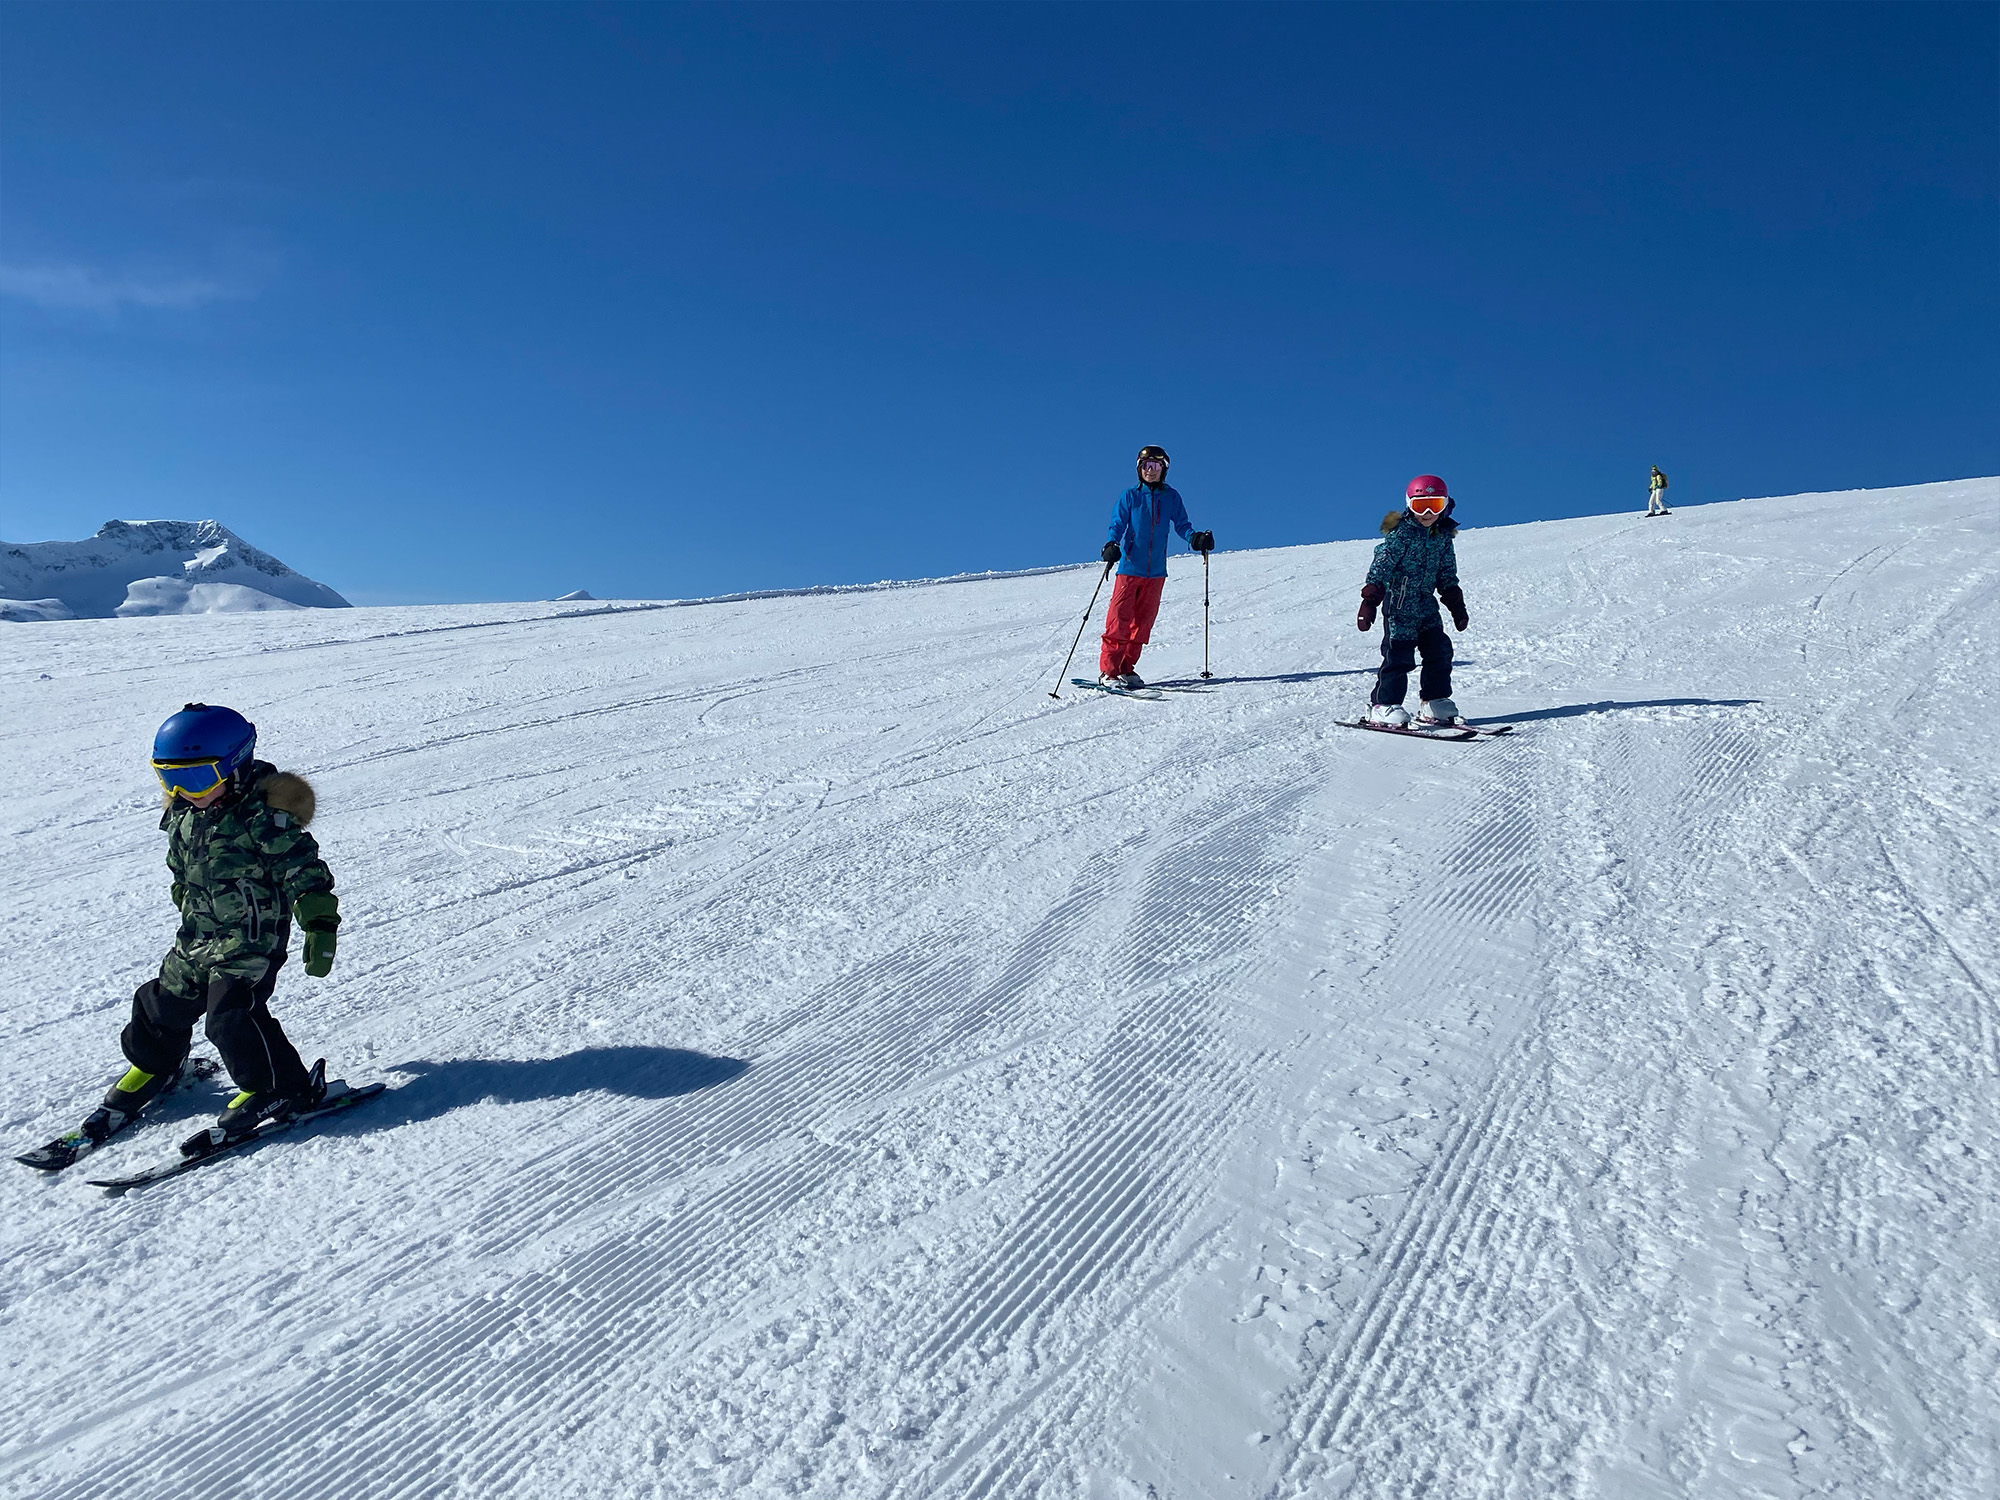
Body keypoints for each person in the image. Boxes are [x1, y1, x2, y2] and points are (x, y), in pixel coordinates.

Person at [98, 703, 342, 1157]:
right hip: (198, 937)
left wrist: (320, 923)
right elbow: (182, 871)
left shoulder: (263, 817)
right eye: (168, 779)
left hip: (252, 938)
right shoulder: (185, 814)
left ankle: (281, 1088)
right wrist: (186, 908)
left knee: (231, 1016)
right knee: (158, 1004)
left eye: (195, 779)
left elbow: (304, 869)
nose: (183, 792)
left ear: (234, 765)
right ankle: (157, 1066)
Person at [1357, 475, 1469, 727]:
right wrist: (1370, 600)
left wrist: (1456, 605)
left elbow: (1447, 574)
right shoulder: (1402, 534)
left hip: (1427, 606)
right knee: (1399, 656)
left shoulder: (1442, 537)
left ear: (1445, 505)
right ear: (1409, 505)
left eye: (1435, 505)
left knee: (1439, 651)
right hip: (1399, 606)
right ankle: (1383, 705)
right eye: (1420, 506)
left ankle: (1434, 701)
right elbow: (1382, 564)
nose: (1427, 513)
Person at [1097, 445, 1213, 688]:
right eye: (1146, 466)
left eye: (1156, 467)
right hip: (1129, 568)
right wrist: (1111, 544)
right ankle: (1109, 672)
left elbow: (1182, 525)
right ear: (1139, 470)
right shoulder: (1130, 496)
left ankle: (1127, 669)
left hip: (1156, 573)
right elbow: (1117, 524)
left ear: (1164, 470)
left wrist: (1195, 538)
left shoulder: (1171, 497)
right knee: (1119, 620)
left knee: (1142, 624)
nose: (1151, 471)